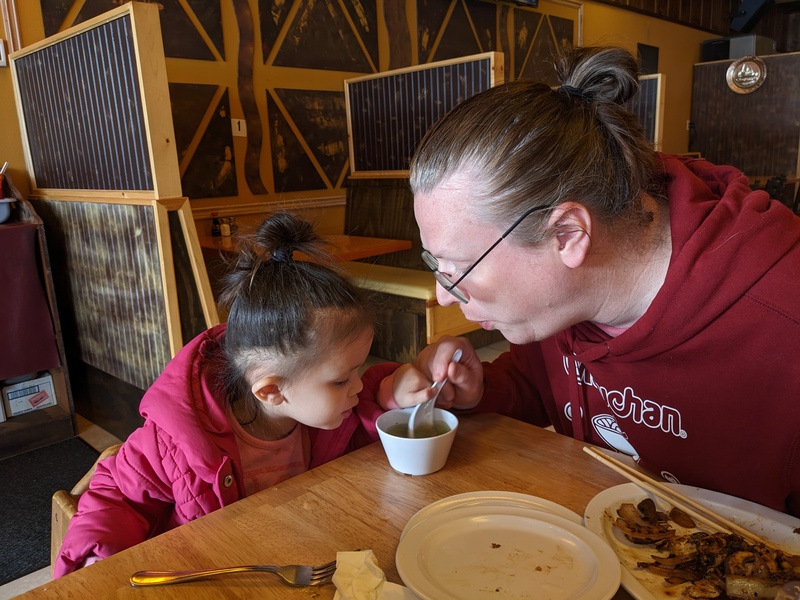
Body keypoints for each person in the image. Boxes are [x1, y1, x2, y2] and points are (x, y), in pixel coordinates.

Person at [408, 45, 800, 516]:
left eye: (460, 269)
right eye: (438, 266)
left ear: (568, 233)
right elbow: (548, 388)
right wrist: (481, 391)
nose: (442, 296)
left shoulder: (784, 323)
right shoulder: (558, 308)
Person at [54, 211, 433, 577]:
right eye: (341, 380)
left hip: (296, 555)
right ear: (271, 391)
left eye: (359, 371)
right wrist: (97, 564)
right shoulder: (174, 443)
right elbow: (117, 496)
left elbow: (362, 430)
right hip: (211, 573)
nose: (356, 386)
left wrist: (390, 394)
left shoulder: (322, 411)